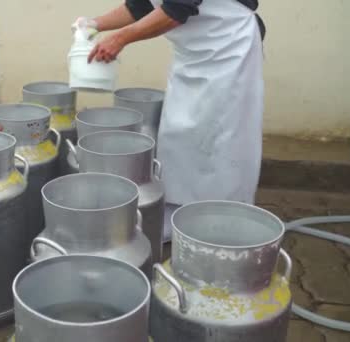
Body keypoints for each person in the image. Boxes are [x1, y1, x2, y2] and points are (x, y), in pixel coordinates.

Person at [74, 0, 265, 240]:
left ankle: (223, 219)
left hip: (228, 47)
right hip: (193, 53)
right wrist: (94, 24)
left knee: (221, 139)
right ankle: (176, 213)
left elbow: (176, 10)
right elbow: (141, 5)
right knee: (178, 133)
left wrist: (120, 38)